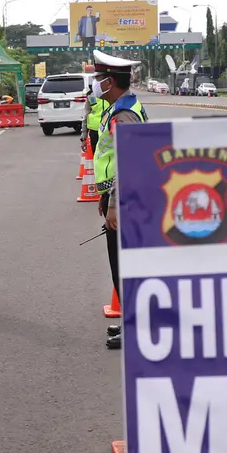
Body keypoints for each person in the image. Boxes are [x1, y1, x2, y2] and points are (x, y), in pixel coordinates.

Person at [91, 50, 145, 350]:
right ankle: (130, 322)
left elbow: (127, 162)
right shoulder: (120, 108)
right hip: (121, 196)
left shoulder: (123, 114)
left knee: (124, 266)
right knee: (122, 266)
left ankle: (135, 329)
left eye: (99, 78)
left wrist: (114, 204)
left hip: (126, 202)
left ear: (110, 82)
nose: (96, 84)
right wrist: (104, 194)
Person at [80, 77, 110, 156]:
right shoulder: (91, 96)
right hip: (97, 132)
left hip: (108, 131)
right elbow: (86, 116)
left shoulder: (111, 95)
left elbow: (85, 115)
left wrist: (83, 137)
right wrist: (83, 137)